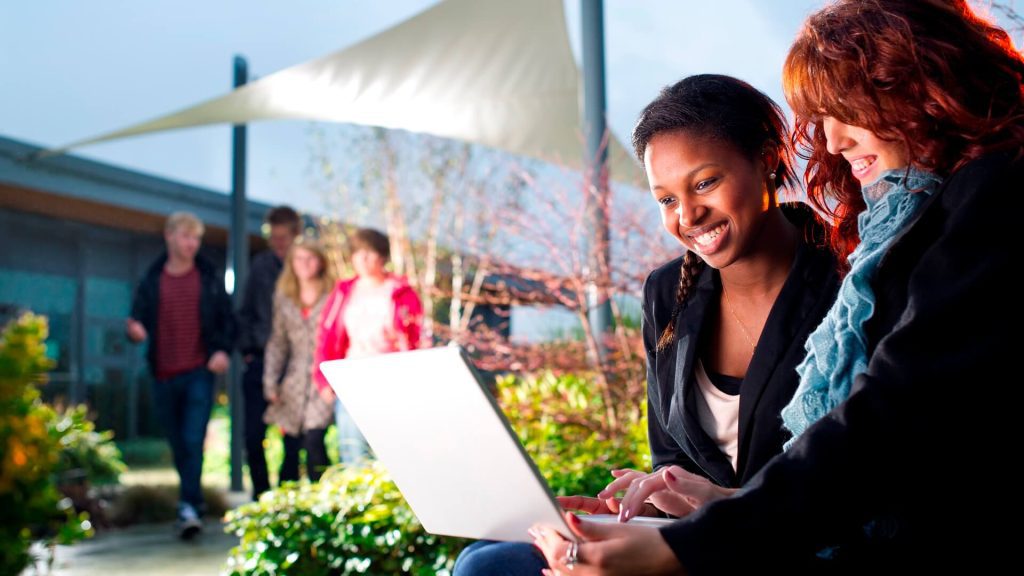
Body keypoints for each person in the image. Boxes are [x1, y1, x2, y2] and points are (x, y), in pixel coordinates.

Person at [532, 0, 1023, 572]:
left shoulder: (987, 197)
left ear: (915, 85)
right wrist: (677, 514)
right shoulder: (907, 223)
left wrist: (691, 544)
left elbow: (891, 417)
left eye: (847, 112)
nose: (833, 142)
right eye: (665, 198)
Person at [454, 74, 840, 575]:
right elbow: (673, 459)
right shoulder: (667, 293)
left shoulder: (846, 279)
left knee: (490, 569)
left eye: (705, 183)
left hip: (782, 544)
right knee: (487, 554)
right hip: (699, 537)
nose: (689, 215)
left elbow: (850, 472)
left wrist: (723, 504)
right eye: (666, 200)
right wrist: (643, 508)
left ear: (767, 160)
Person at [126, 211, 235, 539]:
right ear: (170, 236)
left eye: (197, 239)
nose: (192, 244)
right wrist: (135, 330)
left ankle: (190, 506)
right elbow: (136, 320)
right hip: (163, 373)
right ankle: (191, 502)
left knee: (192, 439)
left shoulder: (209, 278)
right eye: (187, 237)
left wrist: (221, 351)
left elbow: (228, 321)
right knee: (178, 442)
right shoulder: (152, 280)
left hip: (198, 372)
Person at [313, 228, 423, 464]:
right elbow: (327, 336)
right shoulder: (344, 291)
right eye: (357, 253)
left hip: (390, 377)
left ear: (382, 257)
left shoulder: (401, 292)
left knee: (390, 450)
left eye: (369, 253)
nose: (362, 259)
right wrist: (323, 378)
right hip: (351, 374)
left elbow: (416, 337)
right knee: (353, 449)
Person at [236, 205, 302, 499]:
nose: (278, 243)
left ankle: (286, 497)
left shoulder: (305, 267)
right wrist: (249, 351)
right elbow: (246, 311)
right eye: (273, 237)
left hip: (294, 367)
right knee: (252, 435)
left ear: (295, 236)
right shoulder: (261, 266)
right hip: (259, 361)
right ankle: (260, 496)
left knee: (293, 438)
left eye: (283, 237)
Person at [263, 239, 337, 483]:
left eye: (310, 258)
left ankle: (323, 499)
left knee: (315, 440)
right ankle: (289, 505)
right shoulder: (284, 297)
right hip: (294, 380)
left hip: (323, 379)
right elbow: (278, 342)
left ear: (321, 261)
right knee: (291, 445)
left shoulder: (333, 295)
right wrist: (271, 380)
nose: (305, 265)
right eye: (299, 259)